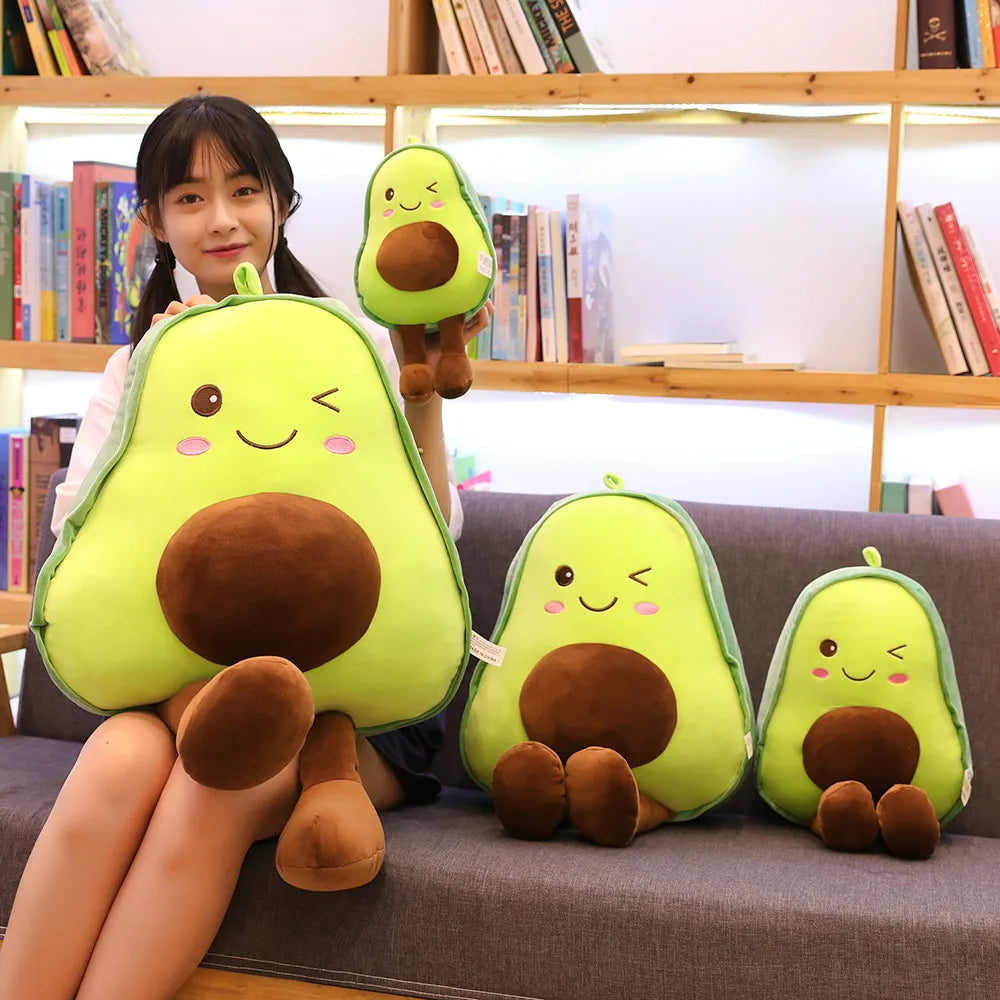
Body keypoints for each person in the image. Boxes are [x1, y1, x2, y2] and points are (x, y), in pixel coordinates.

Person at [0, 94, 487, 1000]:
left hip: (356, 708)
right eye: (188, 198)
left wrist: (421, 387)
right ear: (151, 222)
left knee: (210, 788)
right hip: (187, 684)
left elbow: (435, 536)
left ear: (282, 203)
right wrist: (153, 394)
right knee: (115, 760)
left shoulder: (356, 345)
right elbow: (77, 545)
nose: (221, 218)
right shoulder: (135, 365)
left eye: (244, 189)